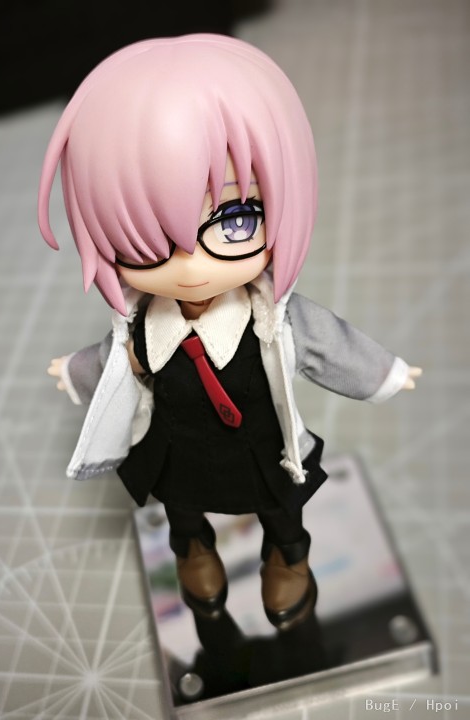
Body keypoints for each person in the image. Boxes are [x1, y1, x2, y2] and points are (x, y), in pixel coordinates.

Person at [38, 34, 421, 631]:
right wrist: (74, 370)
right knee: (182, 509)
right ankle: (193, 551)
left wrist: (383, 373)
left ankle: (288, 556)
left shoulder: (273, 319)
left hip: (258, 448)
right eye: (146, 240)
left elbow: (329, 343)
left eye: (237, 219)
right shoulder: (144, 328)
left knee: (281, 507)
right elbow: (113, 360)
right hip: (176, 449)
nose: (189, 264)